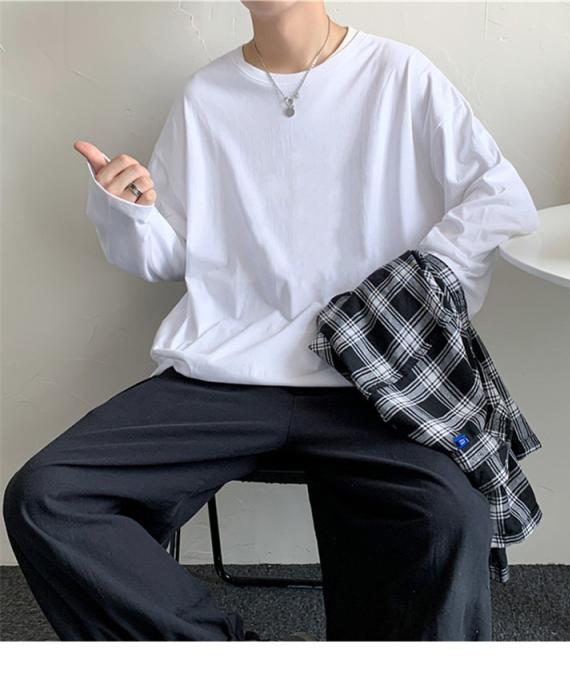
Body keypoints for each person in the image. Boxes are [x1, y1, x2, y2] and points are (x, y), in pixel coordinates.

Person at [3, 0, 539, 641]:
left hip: (368, 382)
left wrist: (403, 295)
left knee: (450, 514)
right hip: (226, 374)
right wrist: (130, 210)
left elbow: (500, 200)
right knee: (48, 496)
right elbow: (173, 254)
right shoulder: (206, 96)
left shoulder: (400, 75)